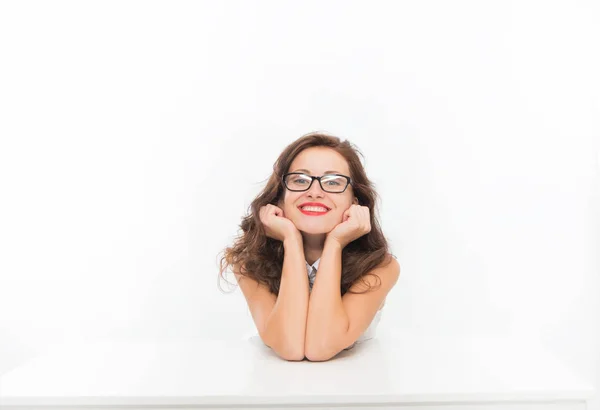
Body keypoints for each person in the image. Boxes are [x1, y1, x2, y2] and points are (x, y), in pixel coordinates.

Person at [217, 131, 400, 362]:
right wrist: (291, 240)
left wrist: (335, 243)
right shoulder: (248, 262)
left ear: (355, 201)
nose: (315, 192)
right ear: (280, 197)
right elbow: (290, 348)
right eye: (300, 180)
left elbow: (320, 347)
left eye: (333, 182)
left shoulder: (382, 267)